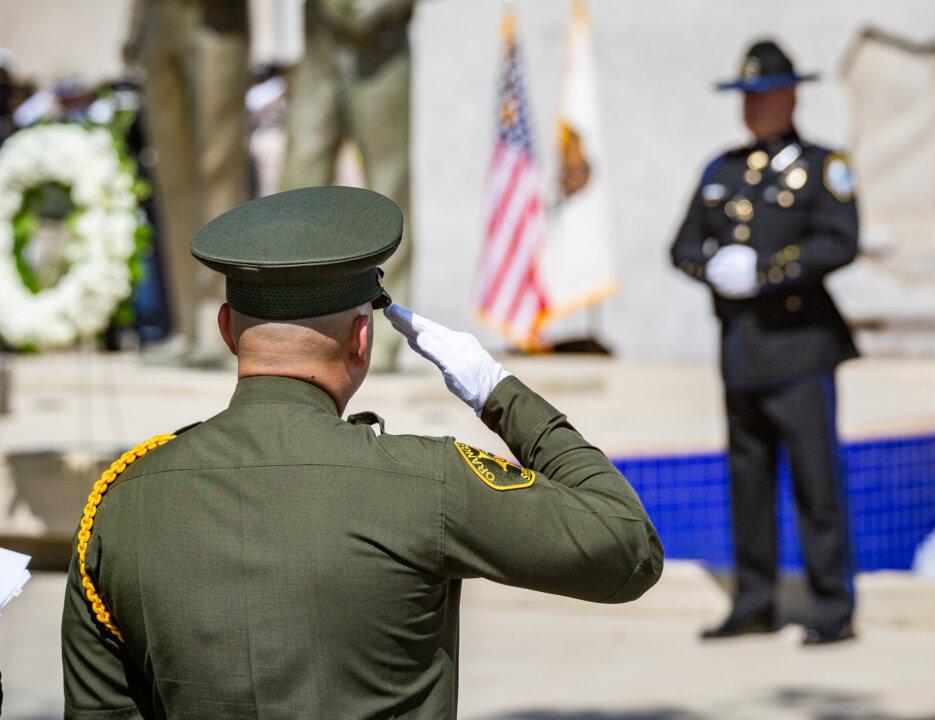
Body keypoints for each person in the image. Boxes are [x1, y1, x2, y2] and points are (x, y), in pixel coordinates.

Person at [61, 186, 663, 718]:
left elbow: (102, 708)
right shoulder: (424, 481)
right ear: (363, 336)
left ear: (226, 330)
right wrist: (498, 393)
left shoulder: (122, 501)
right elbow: (626, 548)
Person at [670, 40, 859, 645]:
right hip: (743, 351)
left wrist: (769, 270)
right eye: (745, 98)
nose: (754, 109)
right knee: (747, 484)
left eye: (764, 96)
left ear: (792, 95)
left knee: (815, 484)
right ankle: (754, 602)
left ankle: (831, 608)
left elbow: (840, 239)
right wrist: (715, 266)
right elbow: (682, 246)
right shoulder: (722, 169)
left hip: (801, 348)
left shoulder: (824, 166)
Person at [280, 0, 415, 372]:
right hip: (320, 45)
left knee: (387, 186)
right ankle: (282, 318)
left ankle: (388, 325)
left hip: (378, 47)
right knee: (298, 182)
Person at [126, 0, 251, 366]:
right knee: (171, 177)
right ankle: (186, 326)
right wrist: (136, 25)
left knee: (219, 169)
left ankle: (220, 319)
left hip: (214, 19)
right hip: (158, 18)